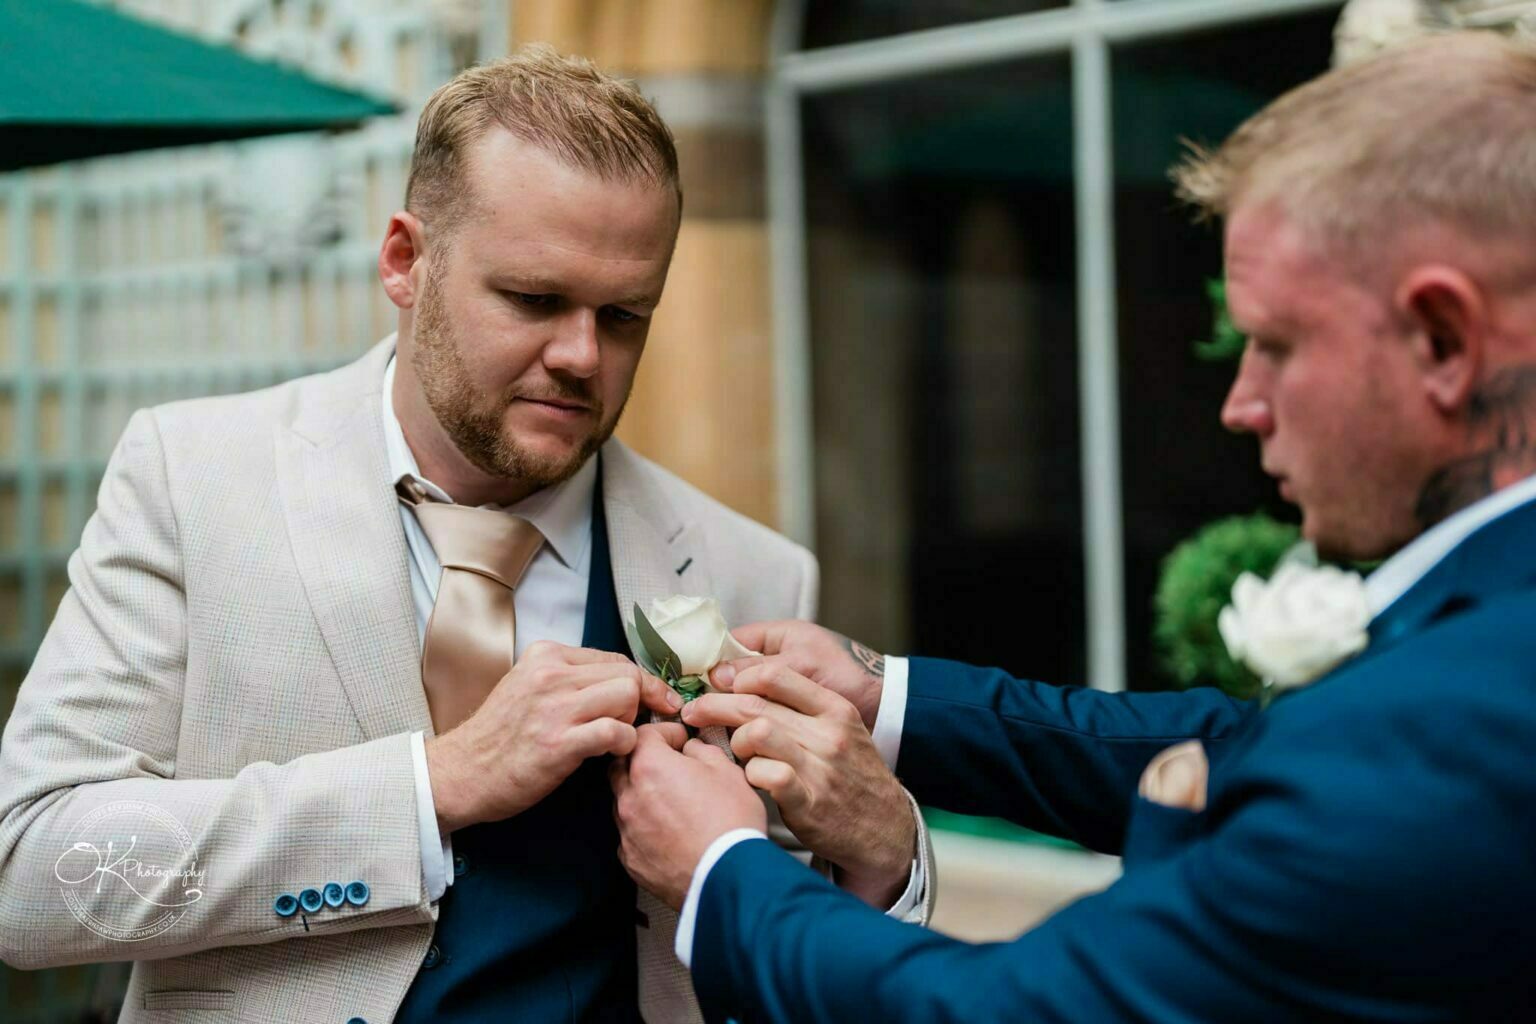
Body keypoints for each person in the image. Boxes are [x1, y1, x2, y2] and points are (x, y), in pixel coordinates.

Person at [610, 32, 1536, 1022]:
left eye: (1276, 343)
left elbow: (1006, 1009)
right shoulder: (1481, 634)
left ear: (1443, 340)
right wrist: (891, 697)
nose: (1241, 403)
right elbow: (1238, 741)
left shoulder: (1446, 735)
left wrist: (721, 871)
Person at [0, 47, 930, 1023]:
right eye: (533, 299)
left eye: (624, 316)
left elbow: (785, 960)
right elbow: (34, 873)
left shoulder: (749, 569)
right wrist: (433, 785)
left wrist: (886, 859)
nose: (581, 356)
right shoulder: (194, 479)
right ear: (406, 261)